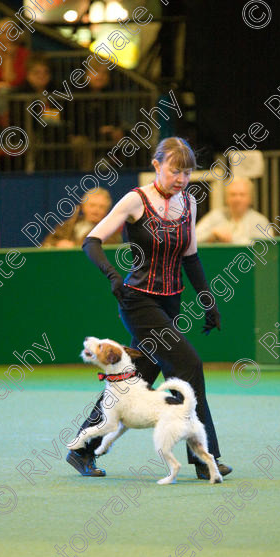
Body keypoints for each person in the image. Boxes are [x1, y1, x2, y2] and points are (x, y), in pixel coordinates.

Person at [66, 137, 232, 481]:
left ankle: (81, 449)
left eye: (187, 173)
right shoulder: (135, 200)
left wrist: (208, 302)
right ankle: (206, 458)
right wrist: (112, 275)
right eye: (175, 171)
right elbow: (90, 241)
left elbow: (192, 258)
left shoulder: (189, 203)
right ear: (157, 165)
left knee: (136, 379)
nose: (182, 179)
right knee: (189, 364)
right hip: (138, 301)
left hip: (171, 302)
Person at [196, 177, 270, 243]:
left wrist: (232, 239)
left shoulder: (260, 221)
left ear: (250, 198)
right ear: (226, 198)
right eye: (233, 194)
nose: (237, 199)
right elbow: (193, 238)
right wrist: (212, 233)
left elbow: (267, 247)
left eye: (242, 194)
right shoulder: (216, 216)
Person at [43, 188, 122, 248]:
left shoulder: (111, 232)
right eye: (92, 205)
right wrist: (57, 244)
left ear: (106, 211)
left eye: (101, 207)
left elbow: (104, 251)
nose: (96, 210)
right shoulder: (67, 225)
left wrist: (73, 247)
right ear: (83, 207)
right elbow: (46, 244)